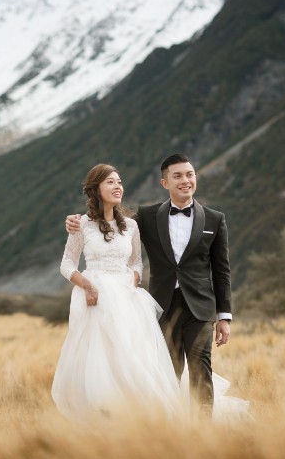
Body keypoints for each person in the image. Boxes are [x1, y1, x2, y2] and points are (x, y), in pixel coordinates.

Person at [64, 154, 235, 418]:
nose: (185, 180)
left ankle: (205, 432)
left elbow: (222, 271)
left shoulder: (215, 219)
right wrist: (73, 222)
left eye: (189, 174)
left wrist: (224, 316)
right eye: (177, 176)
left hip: (200, 308)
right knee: (165, 372)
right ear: (164, 182)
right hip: (160, 308)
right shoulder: (146, 217)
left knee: (201, 368)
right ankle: (166, 428)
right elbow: (111, 227)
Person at [51, 163, 184, 420]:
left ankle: (135, 415)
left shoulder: (130, 227)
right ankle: (103, 415)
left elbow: (136, 261)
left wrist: (135, 276)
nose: (118, 186)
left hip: (126, 298)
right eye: (110, 182)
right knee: (101, 357)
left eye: (120, 182)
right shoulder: (81, 224)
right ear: (96, 188)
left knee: (132, 354)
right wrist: (87, 285)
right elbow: (66, 264)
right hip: (96, 299)